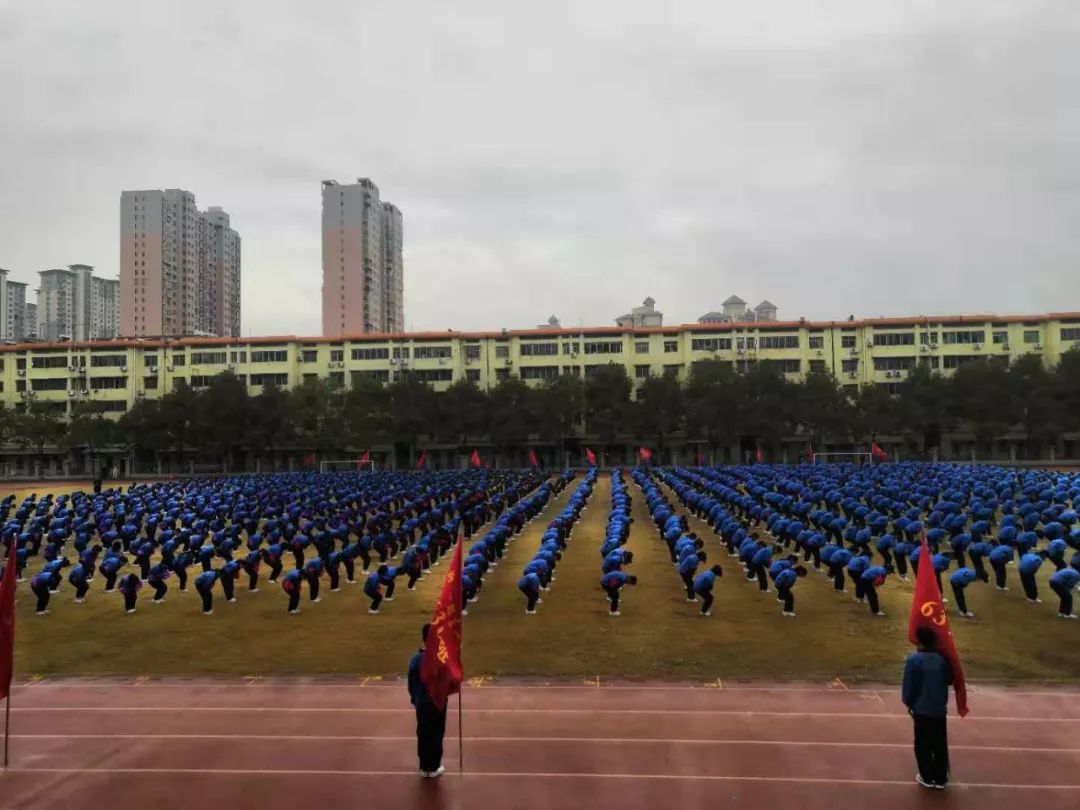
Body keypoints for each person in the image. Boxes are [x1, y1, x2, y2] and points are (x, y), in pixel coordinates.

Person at [902, 627, 953, 790]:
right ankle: (940, 778)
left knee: (922, 744)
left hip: (922, 709)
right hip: (939, 708)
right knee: (939, 743)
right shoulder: (941, 659)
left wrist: (909, 703)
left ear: (919, 641)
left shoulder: (913, 660)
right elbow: (950, 679)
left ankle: (926, 776)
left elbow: (909, 686)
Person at [407, 623, 447, 778]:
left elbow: (411, 683)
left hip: (422, 703)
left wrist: (414, 698)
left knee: (423, 733)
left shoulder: (415, 660)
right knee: (436, 733)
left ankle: (424, 766)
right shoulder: (439, 659)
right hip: (437, 702)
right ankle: (434, 765)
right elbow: (447, 681)